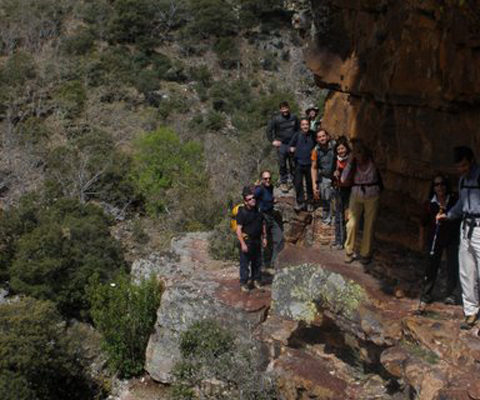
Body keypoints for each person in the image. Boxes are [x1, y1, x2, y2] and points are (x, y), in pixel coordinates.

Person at [437, 146, 480, 329]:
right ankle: (470, 311)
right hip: (466, 226)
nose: (462, 169)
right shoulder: (462, 181)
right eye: (459, 166)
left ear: (471, 161)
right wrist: (448, 215)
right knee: (466, 270)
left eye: (464, 165)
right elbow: (462, 204)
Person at [416, 174, 460, 314]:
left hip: (452, 237)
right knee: (431, 265)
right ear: (433, 188)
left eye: (442, 184)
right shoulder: (430, 204)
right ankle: (426, 294)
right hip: (435, 238)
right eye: (437, 185)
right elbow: (423, 223)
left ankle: (450, 294)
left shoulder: (453, 200)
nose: (440, 187)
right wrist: (421, 240)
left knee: (452, 266)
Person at [341, 140, 382, 265]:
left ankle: (365, 253)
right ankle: (349, 251)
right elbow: (343, 179)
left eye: (360, 152)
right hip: (356, 193)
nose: (359, 156)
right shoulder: (353, 163)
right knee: (351, 224)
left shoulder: (373, 162)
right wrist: (350, 162)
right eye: (356, 153)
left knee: (369, 224)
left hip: (372, 194)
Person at [236, 186, 267, 292]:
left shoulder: (258, 210)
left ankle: (256, 280)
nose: (252, 200)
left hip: (257, 240)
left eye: (253, 198)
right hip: (247, 241)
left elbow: (263, 223)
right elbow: (238, 230)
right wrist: (243, 244)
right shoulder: (242, 213)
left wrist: (264, 237)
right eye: (249, 199)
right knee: (244, 264)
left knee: (257, 262)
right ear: (245, 202)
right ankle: (244, 283)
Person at [254, 170, 284, 272]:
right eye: (265, 178)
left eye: (269, 178)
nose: (268, 180)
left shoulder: (270, 187)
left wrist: (272, 200)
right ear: (262, 179)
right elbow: (251, 197)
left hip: (271, 215)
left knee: (279, 237)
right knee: (263, 241)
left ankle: (273, 263)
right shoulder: (259, 189)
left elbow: (269, 198)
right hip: (262, 217)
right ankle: (262, 265)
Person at [266, 101, 299, 193]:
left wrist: (298, 142)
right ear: (280, 110)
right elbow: (268, 130)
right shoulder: (276, 119)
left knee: (293, 163)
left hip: (293, 144)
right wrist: (273, 141)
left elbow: (298, 129)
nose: (285, 110)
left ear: (289, 108)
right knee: (282, 163)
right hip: (282, 145)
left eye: (286, 108)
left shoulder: (294, 117)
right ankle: (283, 182)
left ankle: (294, 181)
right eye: (283, 109)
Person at [289, 119, 316, 211]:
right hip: (298, 163)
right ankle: (300, 202)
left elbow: (318, 144)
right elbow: (290, 146)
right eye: (303, 125)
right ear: (300, 126)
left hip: (310, 163)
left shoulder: (313, 134)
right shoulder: (297, 135)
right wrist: (291, 149)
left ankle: (310, 202)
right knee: (298, 183)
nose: (305, 126)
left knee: (310, 183)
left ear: (309, 125)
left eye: (307, 124)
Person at [311, 129, 335, 223]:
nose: (322, 138)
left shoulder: (334, 145)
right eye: (319, 137)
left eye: (323, 136)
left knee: (335, 199)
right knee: (325, 198)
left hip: (336, 176)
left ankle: (336, 220)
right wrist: (314, 184)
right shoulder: (316, 150)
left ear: (327, 136)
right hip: (324, 177)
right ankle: (326, 220)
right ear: (317, 139)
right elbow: (313, 167)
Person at [331, 136, 351, 250]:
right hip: (338, 189)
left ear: (346, 148)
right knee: (338, 215)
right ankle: (339, 241)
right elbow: (330, 173)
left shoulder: (351, 160)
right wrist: (334, 175)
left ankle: (349, 241)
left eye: (342, 148)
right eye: (338, 149)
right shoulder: (335, 160)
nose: (340, 151)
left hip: (350, 190)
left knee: (349, 216)